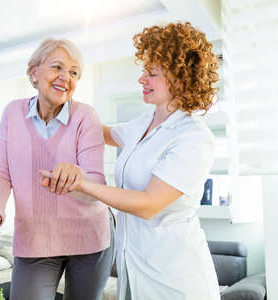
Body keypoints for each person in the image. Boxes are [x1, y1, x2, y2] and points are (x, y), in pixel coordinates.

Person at [40, 22, 221, 299]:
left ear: (179, 78)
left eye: (151, 74)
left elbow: (148, 204)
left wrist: (83, 184)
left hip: (177, 279)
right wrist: (63, 101)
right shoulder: (144, 123)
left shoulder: (194, 138)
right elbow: (104, 133)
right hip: (133, 268)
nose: (142, 80)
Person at [0, 38, 115, 300]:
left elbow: (97, 185)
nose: (66, 77)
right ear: (34, 72)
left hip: (89, 236)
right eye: (57, 67)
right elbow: (1, 172)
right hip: (35, 238)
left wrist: (77, 178)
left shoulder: (85, 116)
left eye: (74, 72)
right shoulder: (12, 113)